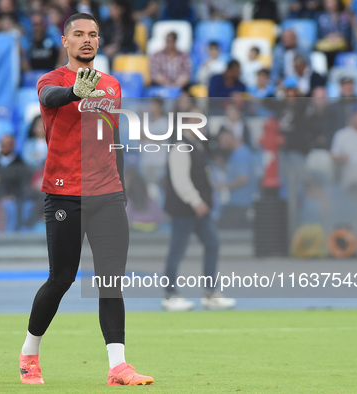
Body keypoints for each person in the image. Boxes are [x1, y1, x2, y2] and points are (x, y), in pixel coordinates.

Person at [19, 13, 153, 386]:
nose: (86, 40)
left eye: (93, 34)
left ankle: (118, 366)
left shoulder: (111, 84)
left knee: (112, 282)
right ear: (65, 41)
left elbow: (115, 137)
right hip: (64, 193)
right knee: (61, 278)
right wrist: (75, 92)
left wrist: (121, 189)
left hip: (107, 195)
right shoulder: (52, 81)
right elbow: (50, 98)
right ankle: (30, 352)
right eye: (78, 34)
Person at [162, 112, 236, 311]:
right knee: (177, 251)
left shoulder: (197, 145)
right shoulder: (181, 146)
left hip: (199, 210)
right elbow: (180, 179)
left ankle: (210, 292)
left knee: (212, 244)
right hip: (186, 209)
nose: (201, 126)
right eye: (196, 122)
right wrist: (195, 200)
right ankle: (170, 295)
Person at [214, 128, 256, 229]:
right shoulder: (236, 154)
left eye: (221, 140)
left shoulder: (241, 154)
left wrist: (223, 185)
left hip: (240, 204)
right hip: (236, 203)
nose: (220, 144)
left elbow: (243, 179)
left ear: (230, 138)